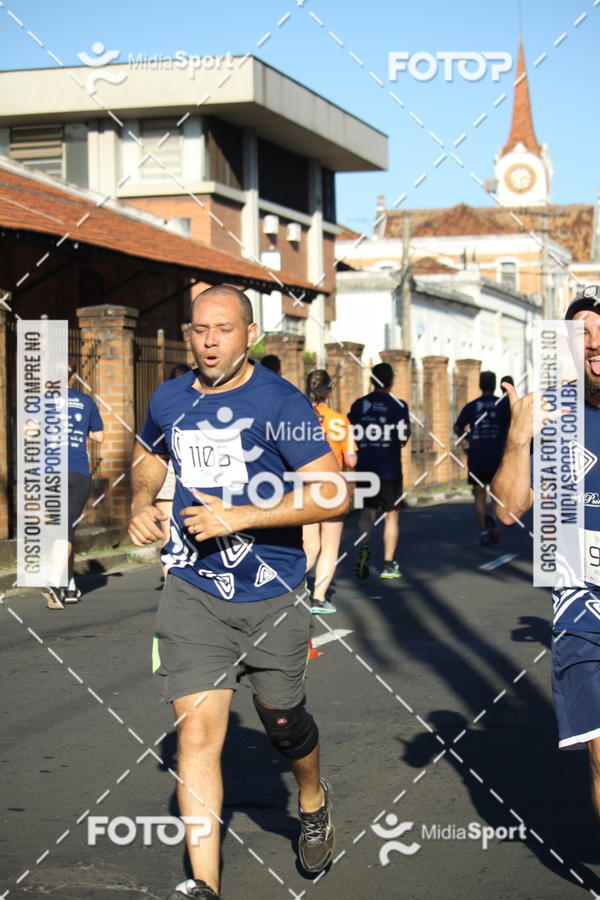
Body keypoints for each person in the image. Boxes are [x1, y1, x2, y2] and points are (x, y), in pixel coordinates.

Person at [128, 285, 349, 900]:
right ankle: (204, 885)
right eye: (200, 330)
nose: (210, 342)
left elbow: (334, 493)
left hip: (272, 591)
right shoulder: (169, 397)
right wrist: (142, 500)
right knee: (197, 735)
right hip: (193, 588)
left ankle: (312, 799)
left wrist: (241, 517)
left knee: (282, 722)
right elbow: (149, 455)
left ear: (249, 335)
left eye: (223, 330)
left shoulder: (281, 402)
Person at [492, 285, 600, 820]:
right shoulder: (550, 413)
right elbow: (507, 511)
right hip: (583, 610)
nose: (594, 342)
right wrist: (517, 440)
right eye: (582, 333)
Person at [44, 360, 104, 610]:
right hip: (78, 472)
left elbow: (29, 432)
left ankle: (63, 584)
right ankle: (62, 584)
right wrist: (80, 431)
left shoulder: (43, 401)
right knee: (66, 529)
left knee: (62, 529)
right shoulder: (86, 401)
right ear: (74, 375)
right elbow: (99, 437)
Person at [348, 361, 411, 580]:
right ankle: (388, 564)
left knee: (366, 514)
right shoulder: (398, 405)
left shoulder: (359, 405)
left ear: (371, 380)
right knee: (391, 516)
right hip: (390, 469)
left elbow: (350, 432)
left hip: (365, 467)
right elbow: (403, 437)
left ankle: (364, 550)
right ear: (391, 381)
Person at [302, 370, 357, 614]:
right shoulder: (340, 421)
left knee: (309, 545)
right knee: (330, 545)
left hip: (305, 485)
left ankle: (291, 587)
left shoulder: (299, 419)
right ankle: (318, 599)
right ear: (330, 391)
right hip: (332, 487)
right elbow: (351, 460)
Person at [454, 371, 509, 546]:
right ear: (494, 385)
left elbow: (457, 427)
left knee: (479, 495)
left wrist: (469, 439)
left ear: (480, 385)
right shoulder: (502, 405)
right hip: (497, 456)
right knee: (497, 493)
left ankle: (484, 532)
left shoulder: (472, 406)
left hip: (477, 455)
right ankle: (494, 519)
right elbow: (511, 427)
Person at [155, 363, 193, 579]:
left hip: (166, 473)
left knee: (169, 536)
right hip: (188, 474)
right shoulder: (199, 405)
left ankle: (171, 585)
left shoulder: (163, 405)